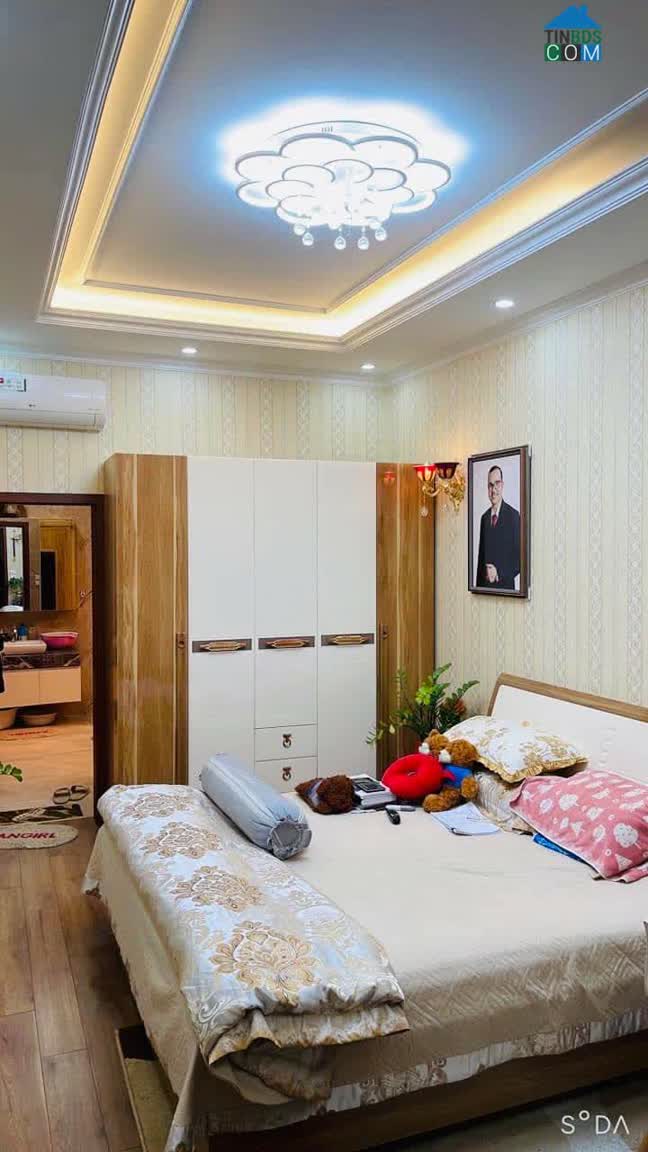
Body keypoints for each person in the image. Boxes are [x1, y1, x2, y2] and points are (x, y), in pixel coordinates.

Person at [476, 465, 520, 590]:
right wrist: (478, 590)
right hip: (485, 592)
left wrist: (498, 572)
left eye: (497, 483)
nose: (493, 490)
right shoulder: (484, 518)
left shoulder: (513, 516)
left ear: (502, 485)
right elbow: (480, 561)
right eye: (490, 485)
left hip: (506, 592)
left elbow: (520, 560)